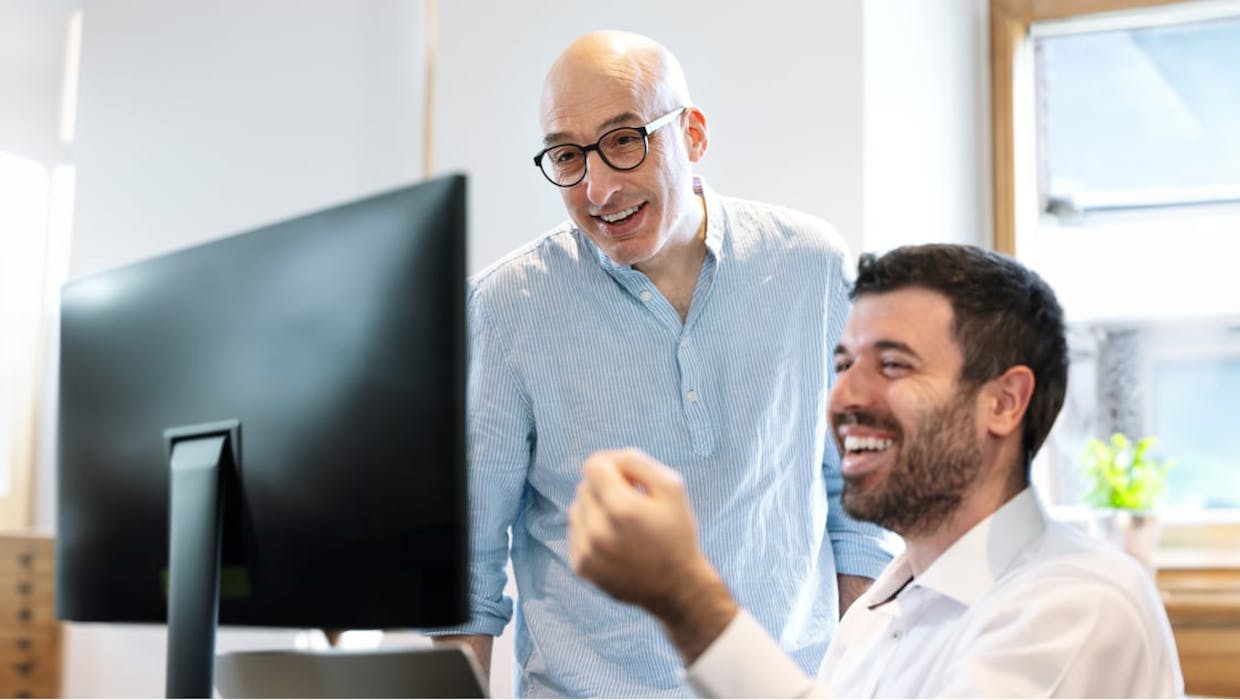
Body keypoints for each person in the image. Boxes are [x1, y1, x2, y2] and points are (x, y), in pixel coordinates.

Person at [425, 30, 893, 697]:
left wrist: (857, 680)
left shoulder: (811, 265)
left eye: (624, 141)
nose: (598, 188)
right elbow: (465, 565)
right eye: (566, 155)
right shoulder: (506, 305)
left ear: (694, 135)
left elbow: (858, 501)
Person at [569, 244, 1185, 698]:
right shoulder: (878, 612)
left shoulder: (1076, 605)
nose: (843, 397)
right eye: (842, 364)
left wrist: (688, 598)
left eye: (892, 365)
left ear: (1003, 402)